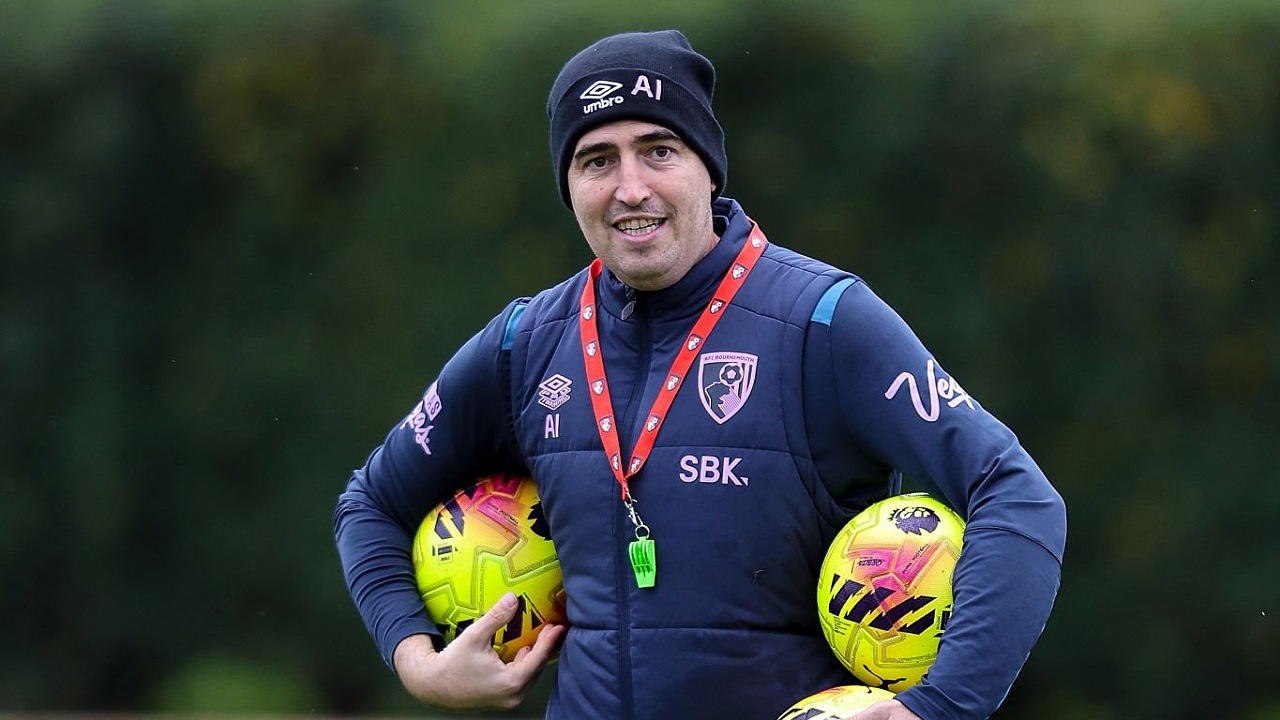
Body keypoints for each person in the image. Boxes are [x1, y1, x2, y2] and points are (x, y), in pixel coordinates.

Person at [334, 29, 1066, 720]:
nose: (630, 188)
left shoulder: (825, 321)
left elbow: (1017, 496)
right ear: (569, 185)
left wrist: (939, 705)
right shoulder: (525, 344)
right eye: (597, 160)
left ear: (707, 167)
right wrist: (419, 664)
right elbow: (370, 503)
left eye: (659, 151)